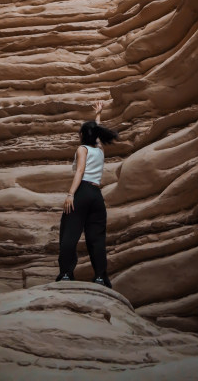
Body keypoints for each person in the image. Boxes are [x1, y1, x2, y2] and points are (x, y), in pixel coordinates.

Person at [56, 100, 118, 287]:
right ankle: (101, 277)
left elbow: (80, 171)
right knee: (96, 238)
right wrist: (98, 115)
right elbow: (97, 132)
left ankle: (66, 274)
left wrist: (70, 194)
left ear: (83, 135)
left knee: (69, 233)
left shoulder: (82, 149)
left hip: (82, 191)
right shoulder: (99, 150)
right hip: (96, 196)